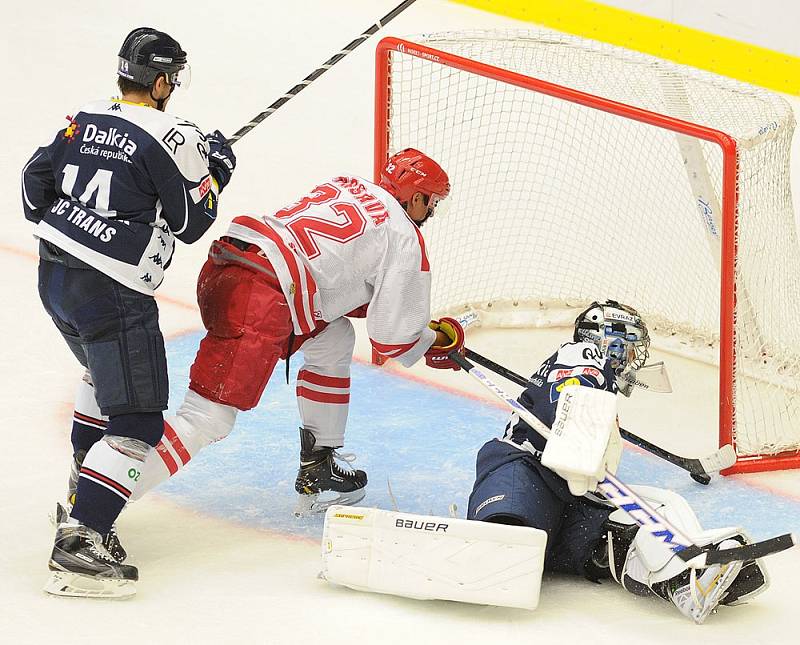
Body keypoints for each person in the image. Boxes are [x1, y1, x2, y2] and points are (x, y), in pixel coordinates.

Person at [126, 148, 465, 516]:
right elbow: (393, 340)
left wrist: (407, 321)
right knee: (207, 418)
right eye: (432, 203)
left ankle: (319, 465)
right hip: (261, 296)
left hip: (229, 265)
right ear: (416, 197)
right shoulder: (404, 236)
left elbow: (332, 282)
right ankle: (102, 495)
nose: (430, 213)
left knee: (333, 337)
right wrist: (430, 342)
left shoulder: (346, 183)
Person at [21, 27, 237, 598]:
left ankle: (81, 491)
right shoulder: (173, 136)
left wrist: (83, 224)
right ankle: (81, 538)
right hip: (113, 295)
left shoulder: (82, 117)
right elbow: (193, 223)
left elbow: (31, 187)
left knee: (102, 378)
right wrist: (216, 169)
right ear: (163, 80)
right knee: (139, 420)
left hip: (55, 278)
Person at [467, 300, 769, 624]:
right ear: (607, 338)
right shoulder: (584, 354)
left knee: (626, 530)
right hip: (528, 466)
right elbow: (568, 394)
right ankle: (489, 546)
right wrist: (578, 445)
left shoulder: (604, 391)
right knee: (513, 529)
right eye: (628, 345)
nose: (632, 356)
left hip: (570, 496)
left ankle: (686, 577)